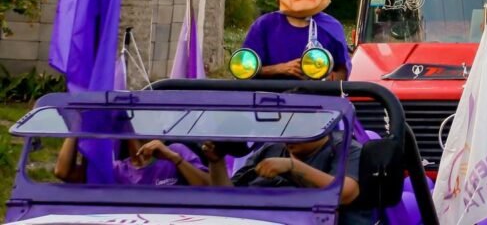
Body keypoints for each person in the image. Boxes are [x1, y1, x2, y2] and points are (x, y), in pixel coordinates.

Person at [203, 133, 369, 225]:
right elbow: (227, 200)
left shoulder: (345, 148)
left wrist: (292, 166)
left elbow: (346, 193)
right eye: (285, 125)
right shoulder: (271, 149)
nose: (288, 134)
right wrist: (216, 162)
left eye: (296, 125)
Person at [55, 137, 209, 186]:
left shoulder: (177, 151)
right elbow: (63, 172)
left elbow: (210, 188)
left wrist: (174, 158)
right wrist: (77, 124)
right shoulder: (117, 170)